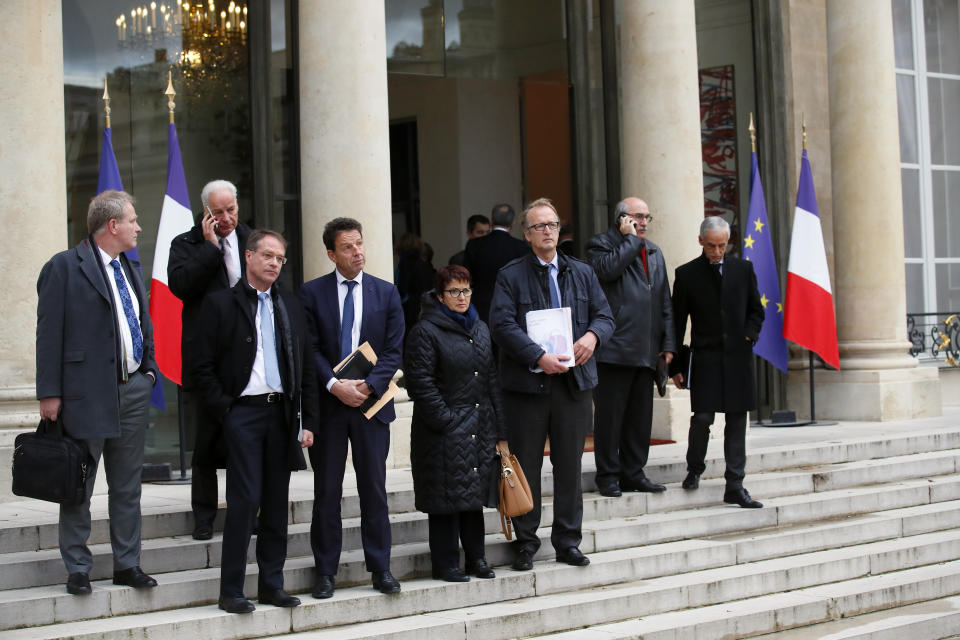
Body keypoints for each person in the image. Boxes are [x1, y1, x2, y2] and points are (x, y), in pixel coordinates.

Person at [36, 190, 159, 596]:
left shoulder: (130, 266)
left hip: (134, 391)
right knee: (79, 484)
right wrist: (49, 394)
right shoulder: (64, 267)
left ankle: (128, 564)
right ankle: (78, 568)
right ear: (112, 225)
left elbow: (141, 319)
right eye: (133, 220)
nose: (138, 227)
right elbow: (48, 334)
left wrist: (149, 372)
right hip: (83, 396)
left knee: (127, 486)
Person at [192, 229, 318, 614]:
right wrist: (225, 410)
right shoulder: (219, 304)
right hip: (241, 413)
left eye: (280, 259)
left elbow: (307, 368)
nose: (274, 264)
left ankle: (271, 585)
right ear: (248, 256)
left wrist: (307, 420)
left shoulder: (292, 306)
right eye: (267, 255)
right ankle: (231, 590)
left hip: (281, 414)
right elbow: (201, 367)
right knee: (244, 502)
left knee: (277, 504)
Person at [489, 197, 614, 571]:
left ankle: (567, 541)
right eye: (540, 226)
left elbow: (605, 315)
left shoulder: (582, 272)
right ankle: (526, 542)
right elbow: (501, 325)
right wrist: (535, 355)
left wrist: (591, 337)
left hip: (574, 385)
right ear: (527, 234)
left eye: (553, 225)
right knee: (526, 464)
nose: (548, 231)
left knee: (569, 465)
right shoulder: (510, 275)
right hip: (528, 387)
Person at [299, 217, 405, 598]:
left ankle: (381, 568)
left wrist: (369, 385)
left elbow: (394, 349)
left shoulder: (386, 292)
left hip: (371, 404)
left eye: (360, 244)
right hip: (329, 406)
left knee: (373, 488)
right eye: (348, 247)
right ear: (331, 253)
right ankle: (325, 571)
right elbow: (308, 348)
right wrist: (333, 384)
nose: (357, 252)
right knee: (326, 490)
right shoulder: (311, 293)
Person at [404, 265, 508, 582]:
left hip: (479, 425)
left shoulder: (479, 327)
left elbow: (491, 379)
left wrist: (500, 430)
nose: (462, 297)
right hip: (442, 431)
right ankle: (446, 564)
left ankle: (477, 559)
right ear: (440, 296)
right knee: (445, 500)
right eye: (454, 291)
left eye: (466, 290)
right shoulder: (425, 331)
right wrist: (447, 420)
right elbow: (420, 383)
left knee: (472, 498)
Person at [168, 179, 252, 541]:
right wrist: (209, 248)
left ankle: (247, 511)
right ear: (206, 213)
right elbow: (181, 286)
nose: (227, 217)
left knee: (246, 442)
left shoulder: (254, 239)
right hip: (207, 360)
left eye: (231, 209)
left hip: (249, 357)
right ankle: (203, 515)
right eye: (218, 212)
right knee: (206, 444)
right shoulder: (186, 244)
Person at [671, 215, 765, 509]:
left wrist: (749, 336)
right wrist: (674, 366)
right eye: (711, 246)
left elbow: (756, 311)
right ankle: (694, 468)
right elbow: (676, 322)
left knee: (737, 421)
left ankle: (735, 484)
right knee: (702, 418)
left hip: (738, 358)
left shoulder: (743, 269)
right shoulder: (686, 274)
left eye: (722, 246)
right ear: (701, 242)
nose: (716, 251)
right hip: (706, 358)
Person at [585, 198, 676, 497]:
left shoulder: (655, 251)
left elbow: (664, 300)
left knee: (640, 419)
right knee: (611, 419)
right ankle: (608, 476)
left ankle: (634, 473)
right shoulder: (600, 244)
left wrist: (668, 344)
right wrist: (629, 240)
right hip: (614, 348)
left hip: (647, 349)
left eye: (647, 217)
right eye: (638, 217)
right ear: (622, 218)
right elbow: (608, 271)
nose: (645, 223)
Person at [464, 203, 529, 323]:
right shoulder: (521, 248)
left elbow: (466, 276)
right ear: (513, 223)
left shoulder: (474, 245)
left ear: (491, 220)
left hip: (480, 308)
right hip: (511, 309)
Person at [395, 232, 435, 335]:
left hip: (411, 308)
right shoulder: (424, 263)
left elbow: (403, 287)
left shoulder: (406, 262)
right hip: (426, 305)